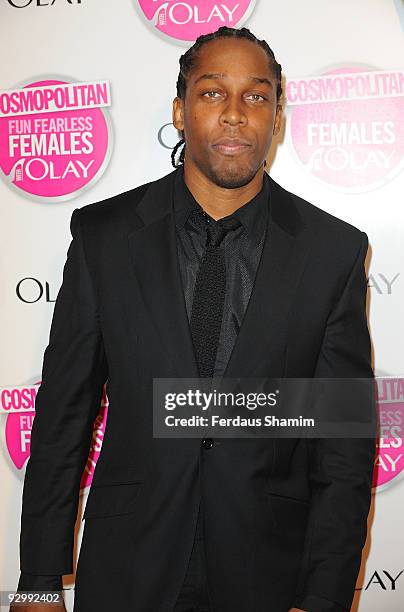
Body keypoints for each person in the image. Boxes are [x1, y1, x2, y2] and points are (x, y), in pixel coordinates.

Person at [12, 26, 376, 612]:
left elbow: (343, 447)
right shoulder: (105, 238)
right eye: (212, 94)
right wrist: (36, 577)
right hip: (129, 566)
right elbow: (63, 418)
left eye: (256, 97)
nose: (235, 115)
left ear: (277, 118)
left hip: (269, 574)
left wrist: (325, 595)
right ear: (180, 112)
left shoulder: (331, 252)